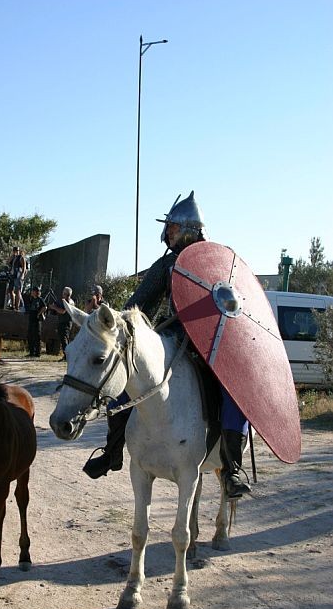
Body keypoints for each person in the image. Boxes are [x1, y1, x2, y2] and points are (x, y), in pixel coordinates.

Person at [83, 191, 251, 499]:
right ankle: (113, 449)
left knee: (234, 393)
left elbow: (236, 304)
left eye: (173, 228)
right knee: (126, 384)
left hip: (211, 344)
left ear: (189, 228)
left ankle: (231, 469)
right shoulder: (167, 265)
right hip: (173, 340)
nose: (168, 233)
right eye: (168, 228)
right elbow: (138, 305)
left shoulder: (218, 259)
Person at [49, 287, 75, 361]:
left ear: (67, 294)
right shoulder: (64, 301)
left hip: (66, 322)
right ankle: (66, 355)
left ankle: (67, 356)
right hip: (62, 321)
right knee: (64, 339)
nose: (62, 294)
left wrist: (54, 307)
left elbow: (62, 311)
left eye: (64, 293)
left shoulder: (69, 302)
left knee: (64, 339)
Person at [27, 286, 47, 357]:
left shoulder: (40, 299)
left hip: (37, 320)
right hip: (31, 319)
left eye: (33, 291)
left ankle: (37, 353)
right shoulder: (31, 299)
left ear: (36, 292)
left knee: (37, 337)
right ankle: (31, 352)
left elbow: (45, 307)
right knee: (30, 336)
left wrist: (39, 313)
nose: (32, 292)